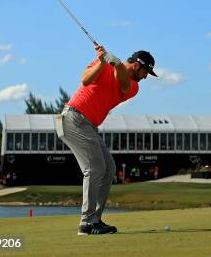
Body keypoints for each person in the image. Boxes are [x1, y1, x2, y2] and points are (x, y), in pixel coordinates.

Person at [56, 46, 157, 235]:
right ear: (137, 65)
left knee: (108, 168)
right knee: (94, 169)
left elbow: (123, 85)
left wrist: (117, 64)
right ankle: (86, 223)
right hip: (73, 119)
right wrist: (102, 62)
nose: (145, 77)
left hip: (88, 125)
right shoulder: (103, 63)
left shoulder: (133, 86)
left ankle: (95, 220)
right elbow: (85, 80)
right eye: (146, 72)